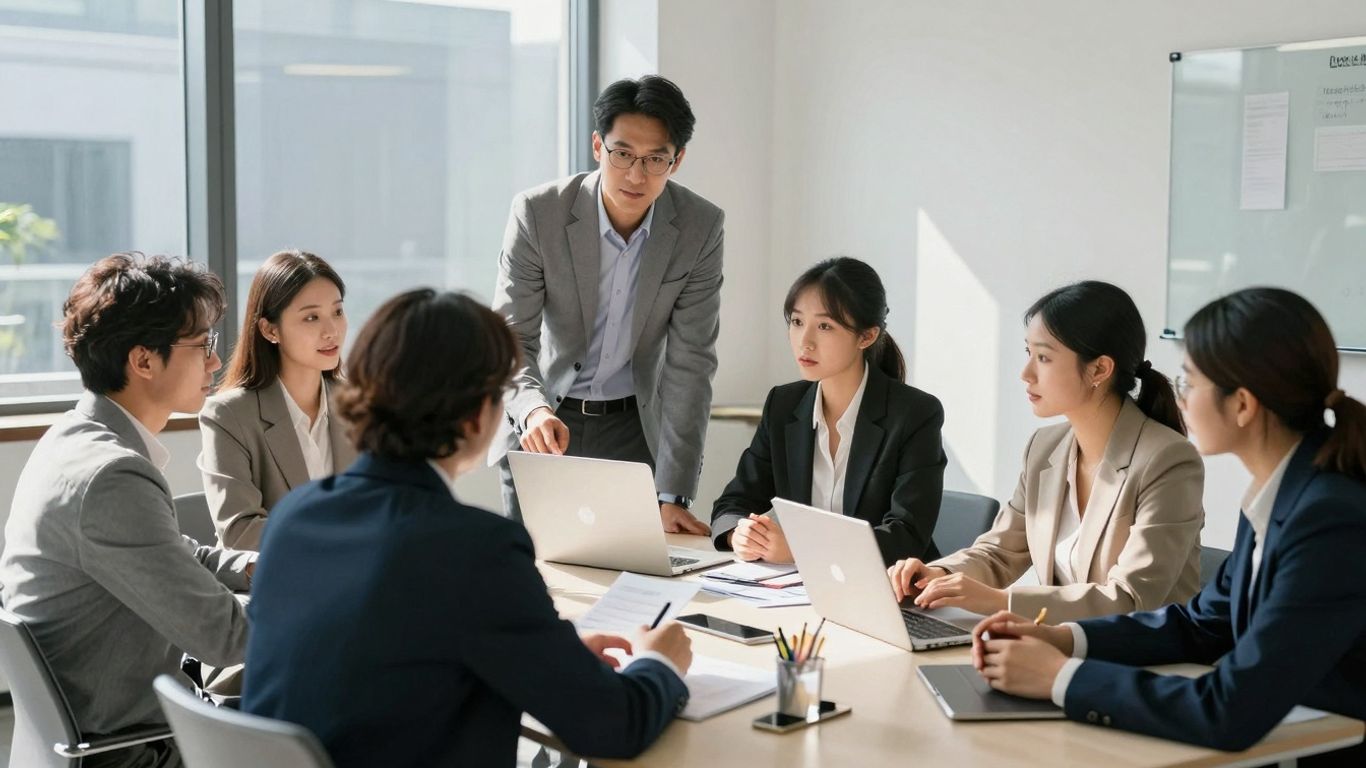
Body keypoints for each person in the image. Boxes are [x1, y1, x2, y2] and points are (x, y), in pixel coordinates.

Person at [242, 289, 694, 767]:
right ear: (478, 414)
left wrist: (548, 653)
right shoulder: (477, 548)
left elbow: (389, 649)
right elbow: (612, 726)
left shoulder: (295, 516)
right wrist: (658, 663)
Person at [969, 288, 1366, 763]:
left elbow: (1230, 708)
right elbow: (1199, 624)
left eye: (1189, 382)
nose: (1180, 396)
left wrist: (1059, 677)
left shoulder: (1328, 518)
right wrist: (1065, 639)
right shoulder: (1279, 494)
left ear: (1242, 405)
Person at [0, 253, 253, 768]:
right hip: (134, 751)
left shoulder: (73, 440)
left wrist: (269, 568)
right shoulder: (111, 476)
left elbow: (180, 554)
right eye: (202, 344)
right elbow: (226, 637)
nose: (214, 362)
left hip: (103, 730)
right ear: (143, 361)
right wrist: (330, 605)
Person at [889, 281, 1204, 622]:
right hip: (1061, 642)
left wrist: (1001, 601)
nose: (1026, 374)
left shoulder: (1168, 460)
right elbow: (999, 552)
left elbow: (1131, 598)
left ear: (1099, 369)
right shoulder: (1044, 447)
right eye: (1029, 354)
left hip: (1143, 650)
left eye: (1043, 357)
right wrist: (939, 575)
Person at [491, 75, 723, 535]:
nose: (636, 175)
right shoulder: (538, 213)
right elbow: (510, 338)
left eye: (655, 159)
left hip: (633, 431)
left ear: (676, 161)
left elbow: (691, 364)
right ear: (598, 146)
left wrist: (673, 493)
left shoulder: (700, 226)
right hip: (545, 424)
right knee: (531, 569)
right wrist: (533, 410)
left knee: (631, 575)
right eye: (623, 154)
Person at [709, 257, 946, 565]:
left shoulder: (915, 414)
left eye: (824, 326)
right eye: (797, 322)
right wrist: (739, 533)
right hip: (799, 586)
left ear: (866, 336)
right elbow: (734, 502)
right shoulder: (784, 405)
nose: (805, 342)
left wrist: (803, 550)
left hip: (890, 585)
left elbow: (905, 536)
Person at [198, 249, 357, 549]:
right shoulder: (228, 416)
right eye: (311, 317)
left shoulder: (360, 406)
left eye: (337, 312)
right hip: (274, 576)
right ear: (270, 329)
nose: (331, 331)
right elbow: (240, 532)